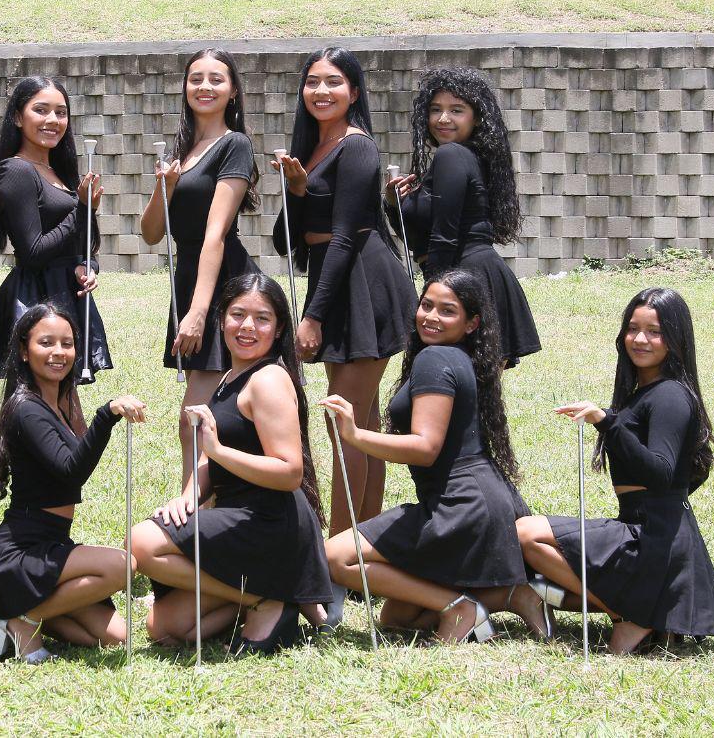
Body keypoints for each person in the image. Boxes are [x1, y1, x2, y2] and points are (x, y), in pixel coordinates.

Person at [322, 270, 546, 643]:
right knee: (398, 615)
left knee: (337, 557)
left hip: (458, 506)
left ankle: (463, 608)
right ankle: (509, 594)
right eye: (426, 305)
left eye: (447, 311)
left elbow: (425, 448)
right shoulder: (456, 356)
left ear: (471, 323)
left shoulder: (435, 361)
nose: (431, 317)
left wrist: (355, 434)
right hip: (485, 502)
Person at [517, 287, 714, 654]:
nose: (640, 339)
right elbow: (691, 471)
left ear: (676, 338)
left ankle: (628, 613)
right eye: (633, 328)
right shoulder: (645, 392)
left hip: (651, 534)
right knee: (527, 537)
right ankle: (633, 610)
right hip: (645, 526)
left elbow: (662, 471)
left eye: (655, 331)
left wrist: (607, 422)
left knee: (527, 533)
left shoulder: (669, 396)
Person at [131, 273, 332, 655]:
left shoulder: (269, 380)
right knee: (165, 627)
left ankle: (265, 599)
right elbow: (209, 458)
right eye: (238, 314)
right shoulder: (231, 375)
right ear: (221, 318)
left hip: (270, 522)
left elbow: (290, 472)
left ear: (279, 328)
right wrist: (188, 497)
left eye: (262, 318)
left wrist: (221, 451)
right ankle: (273, 595)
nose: (247, 327)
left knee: (142, 542)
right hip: (241, 518)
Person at [272, 47, 416, 535]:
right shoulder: (309, 148)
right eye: (312, 82)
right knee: (362, 426)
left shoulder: (357, 147)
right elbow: (283, 239)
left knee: (345, 428)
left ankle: (340, 555)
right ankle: (362, 545)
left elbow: (348, 234)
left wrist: (311, 316)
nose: (321, 91)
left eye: (333, 82)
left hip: (363, 281)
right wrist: (297, 189)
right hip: (335, 279)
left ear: (354, 91)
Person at [0, 304, 143, 662]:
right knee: (124, 565)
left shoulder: (56, 402)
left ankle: (6, 614)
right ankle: (22, 616)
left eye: (68, 343)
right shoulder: (26, 408)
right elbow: (70, 471)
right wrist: (105, 415)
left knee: (116, 637)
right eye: (46, 343)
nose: (59, 353)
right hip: (21, 551)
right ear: (23, 350)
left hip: (50, 542)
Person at [141, 48, 261, 484]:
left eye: (216, 79)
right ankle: (200, 507)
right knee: (202, 412)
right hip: (191, 273)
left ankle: (195, 508)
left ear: (232, 91)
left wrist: (197, 310)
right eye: (196, 78)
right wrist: (164, 188)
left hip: (222, 280)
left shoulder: (235, 145)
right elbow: (153, 232)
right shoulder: (184, 152)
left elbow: (216, 233)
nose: (204, 87)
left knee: (198, 412)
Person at [0, 77, 111, 409]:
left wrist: (87, 266)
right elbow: (32, 252)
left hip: (64, 293)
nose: (52, 121)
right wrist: (82, 208)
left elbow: (80, 243)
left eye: (61, 112)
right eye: (41, 110)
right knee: (34, 402)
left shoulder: (56, 170)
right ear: (18, 117)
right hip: (35, 299)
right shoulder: (17, 171)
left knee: (62, 401)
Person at [389, 67, 540, 367]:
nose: (443, 119)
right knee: (472, 392)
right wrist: (395, 204)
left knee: (452, 385)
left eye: (456, 110)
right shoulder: (465, 156)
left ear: (477, 117)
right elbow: (418, 239)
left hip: (463, 277)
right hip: (471, 276)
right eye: (436, 110)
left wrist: (433, 297)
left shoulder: (452, 156)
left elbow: (444, 236)